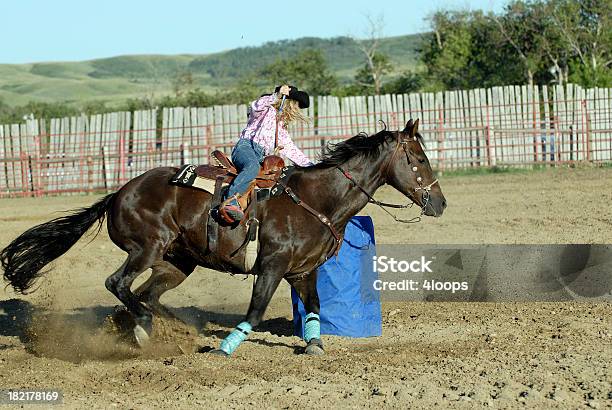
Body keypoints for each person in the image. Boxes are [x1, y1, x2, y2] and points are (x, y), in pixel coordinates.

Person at [220, 84, 313, 223]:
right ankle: (230, 200)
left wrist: (311, 167)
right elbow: (257, 105)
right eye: (296, 105)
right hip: (246, 147)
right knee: (252, 167)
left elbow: (292, 150)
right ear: (289, 103)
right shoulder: (264, 110)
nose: (297, 109)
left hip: (261, 156)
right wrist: (277, 96)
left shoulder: (280, 127)